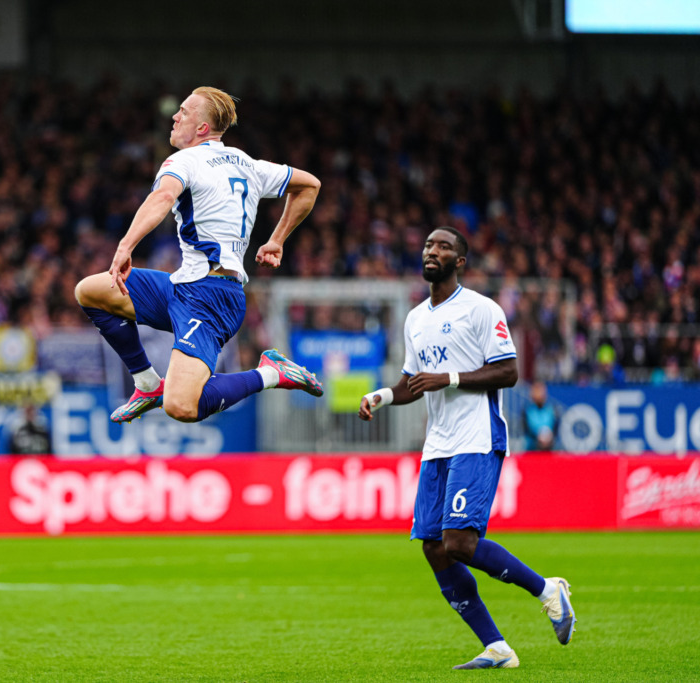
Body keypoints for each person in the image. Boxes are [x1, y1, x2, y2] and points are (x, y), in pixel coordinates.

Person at [358, 227, 576, 670]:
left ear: (460, 262)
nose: (431, 251)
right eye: (427, 245)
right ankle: (497, 647)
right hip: (437, 443)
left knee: (459, 542)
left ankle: (547, 590)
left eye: (443, 247)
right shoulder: (415, 318)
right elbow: (412, 384)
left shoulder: (481, 309)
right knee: (434, 547)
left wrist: (451, 378)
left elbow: (509, 372)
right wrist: (381, 397)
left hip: (476, 436)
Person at [74, 87, 324, 424]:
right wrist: (276, 240)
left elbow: (162, 197)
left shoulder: (184, 161)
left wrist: (125, 246)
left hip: (211, 297)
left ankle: (271, 373)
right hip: (184, 285)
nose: (175, 118)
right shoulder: (246, 162)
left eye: (184, 112)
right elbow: (309, 185)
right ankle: (147, 384)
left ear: (202, 128)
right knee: (90, 292)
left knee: (181, 407)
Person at [524, 380, 559, 451]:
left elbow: (555, 428)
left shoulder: (551, 410)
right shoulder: (527, 411)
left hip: (550, 447)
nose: (538, 394)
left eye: (540, 391)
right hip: (532, 448)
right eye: (536, 391)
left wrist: (548, 437)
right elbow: (526, 430)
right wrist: (538, 437)